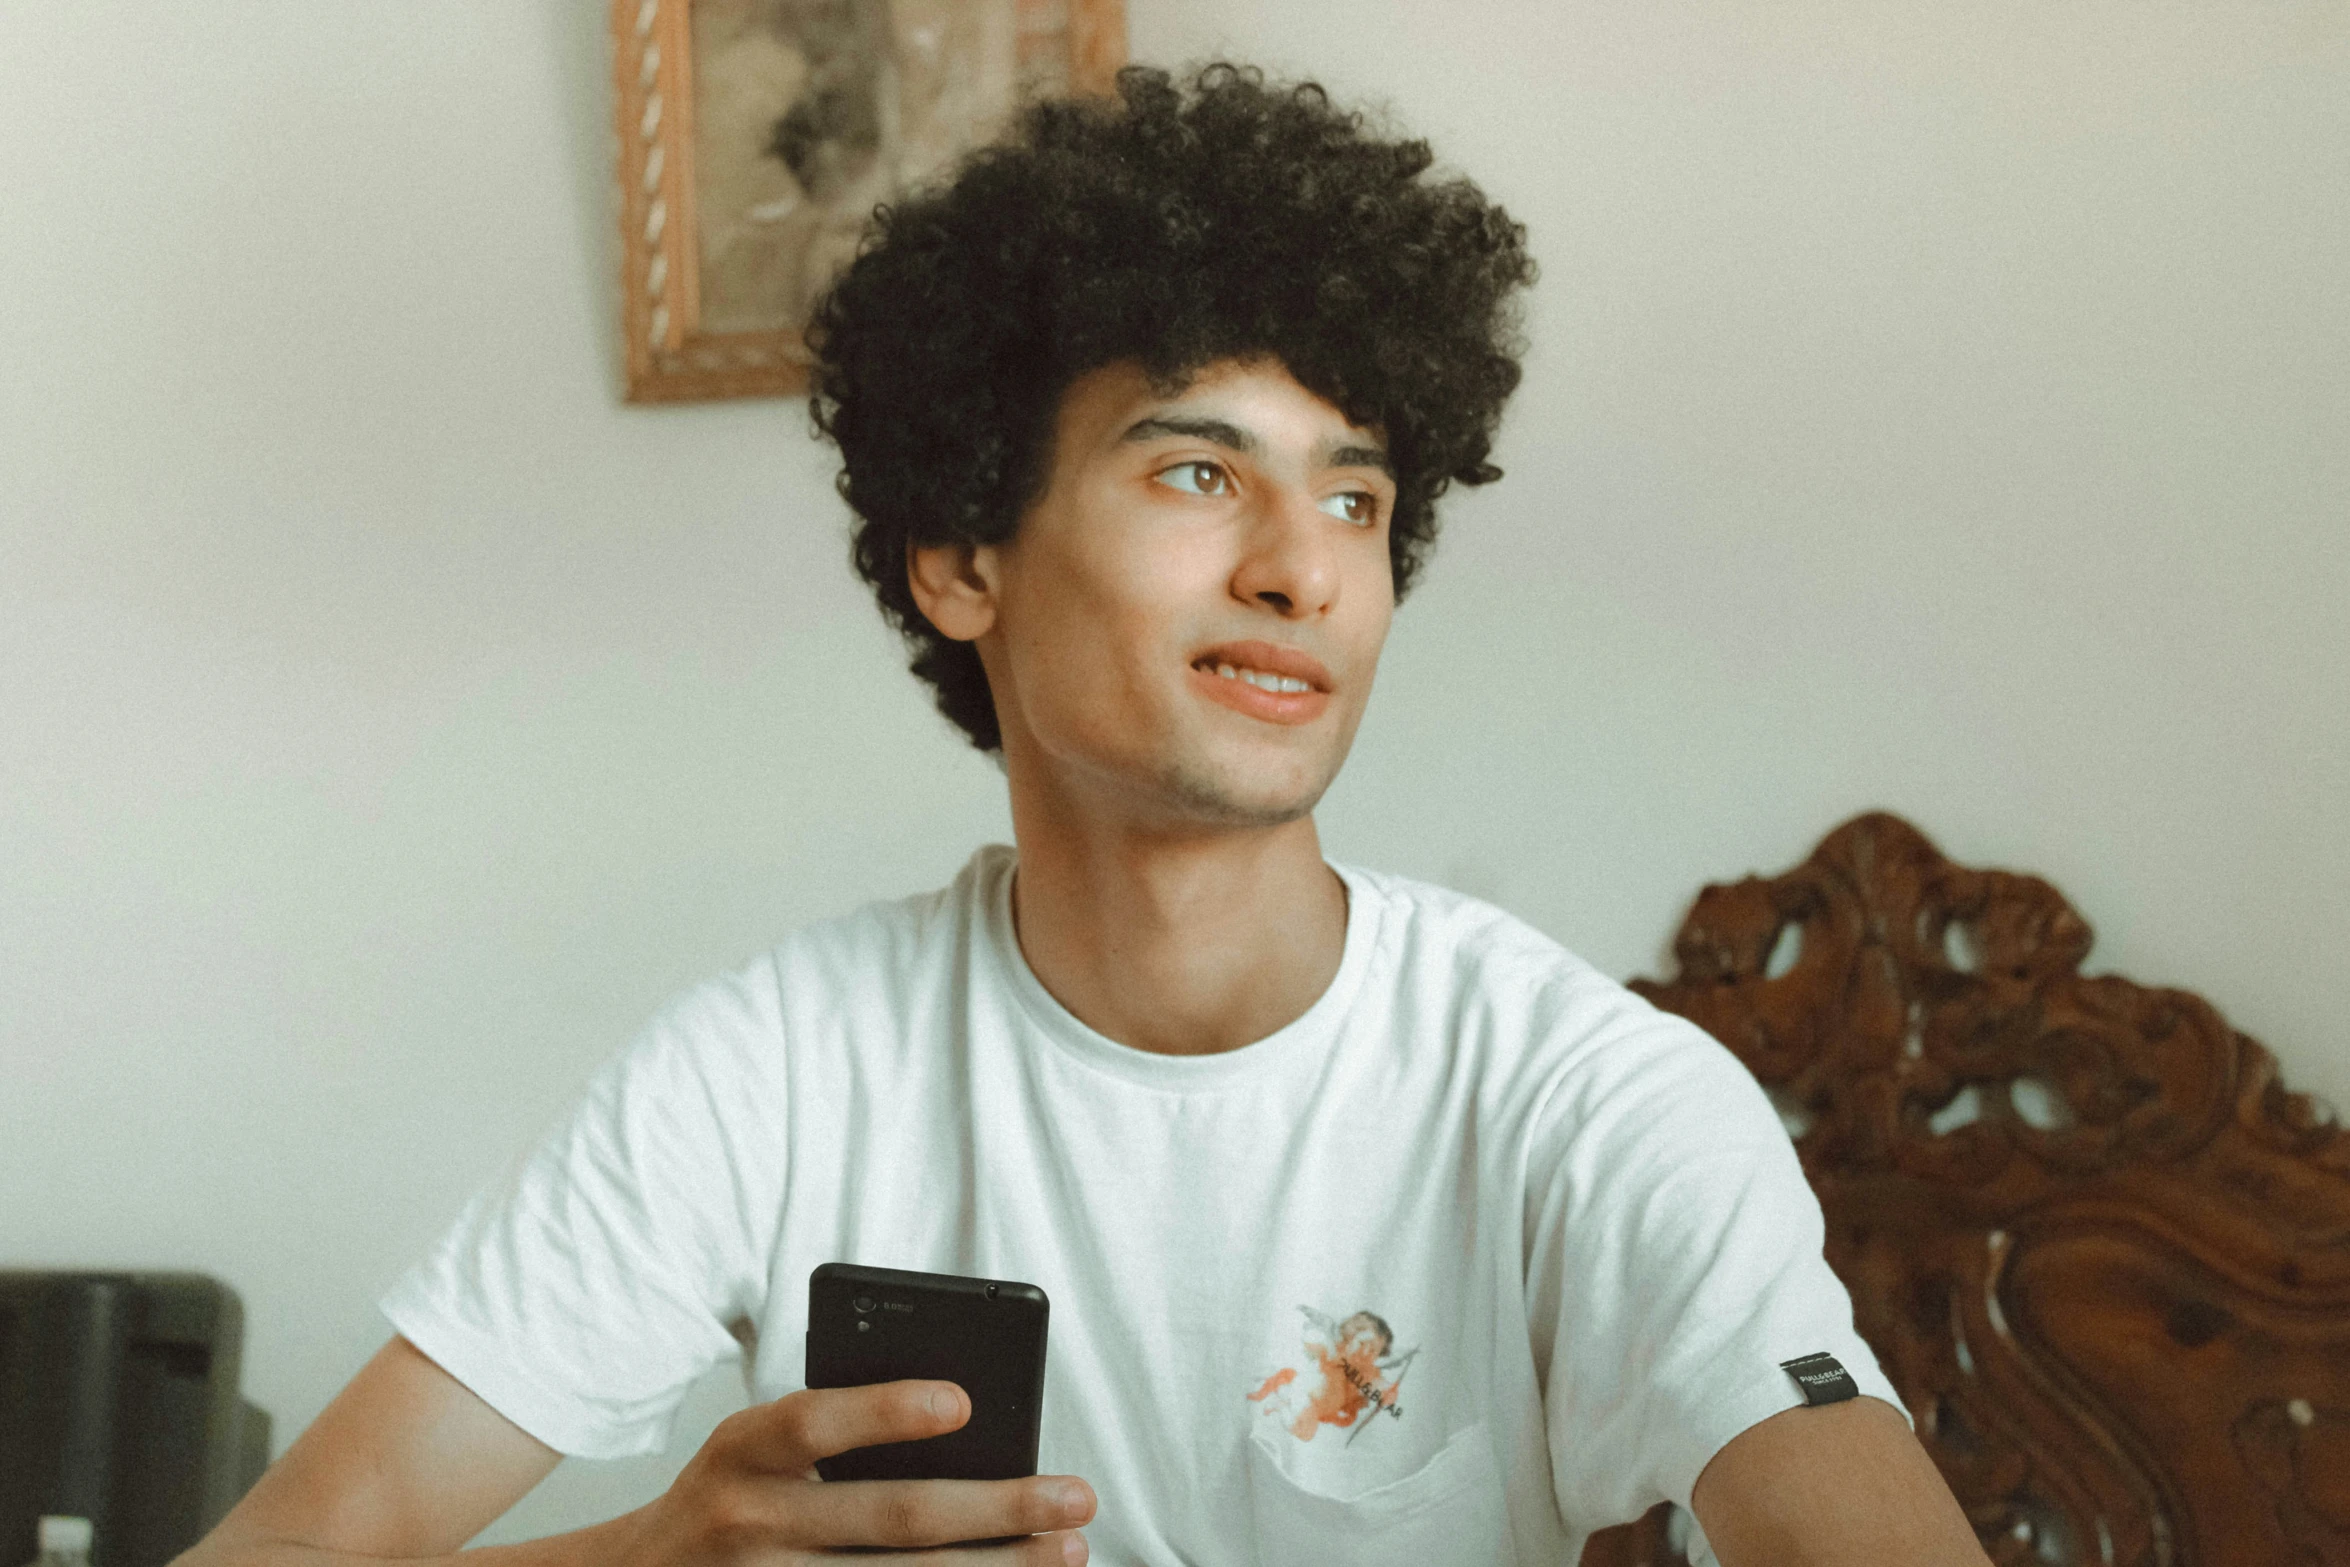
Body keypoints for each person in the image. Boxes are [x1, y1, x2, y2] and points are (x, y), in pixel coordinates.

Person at [180, 63, 1989, 1567]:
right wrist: (642, 1556)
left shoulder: (1582, 1094)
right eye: (1199, 471)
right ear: (967, 557)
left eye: (1354, 502)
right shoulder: (771, 1072)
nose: (1302, 573)